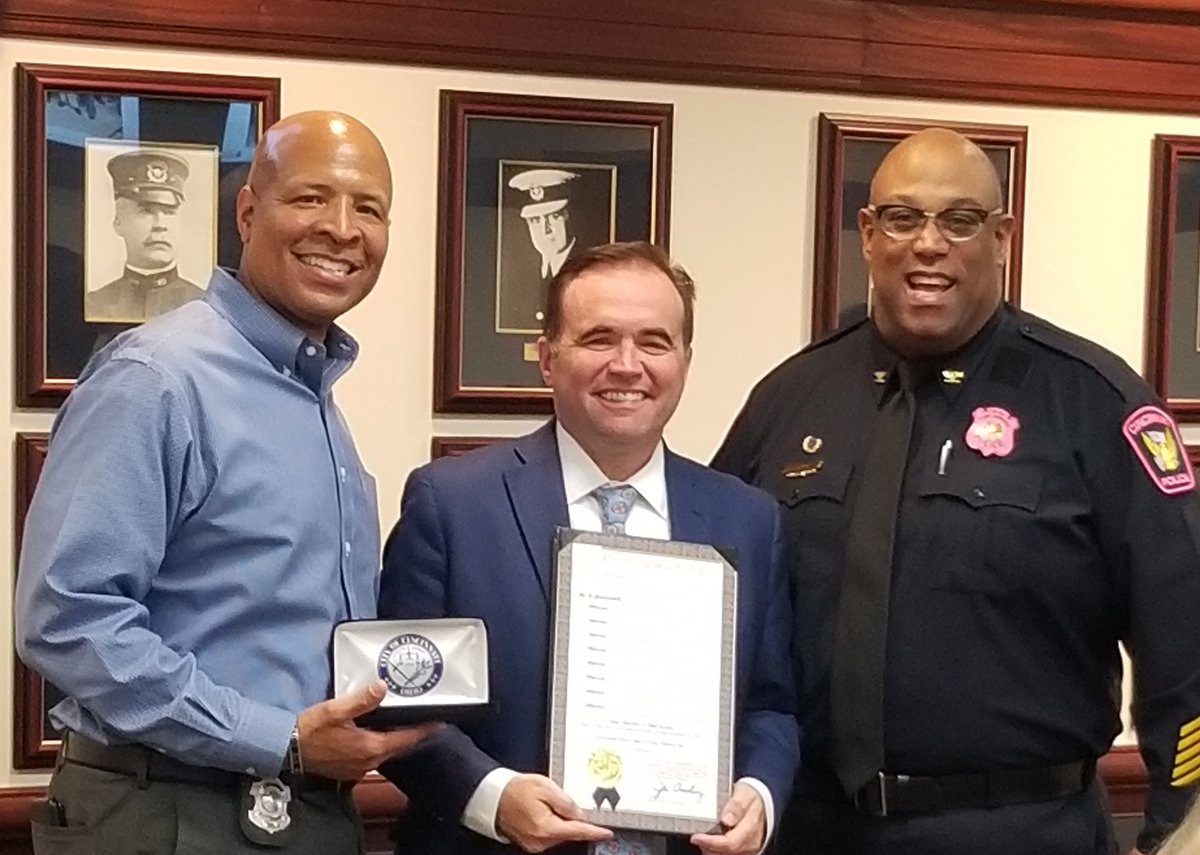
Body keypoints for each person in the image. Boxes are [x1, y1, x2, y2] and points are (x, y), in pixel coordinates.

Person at [712, 127, 1200, 855]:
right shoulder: (791, 398)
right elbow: (717, 601)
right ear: (868, 234)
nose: (929, 244)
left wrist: (1176, 832)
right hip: (813, 828)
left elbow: (1184, 640)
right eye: (902, 218)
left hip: (1022, 830)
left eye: (961, 220)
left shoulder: (1092, 402)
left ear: (1001, 238)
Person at [16, 111, 438, 855]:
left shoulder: (313, 395)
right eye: (311, 197)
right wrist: (279, 738)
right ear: (247, 212)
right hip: (168, 812)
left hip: (306, 809)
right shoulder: (157, 378)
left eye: (368, 209)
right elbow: (67, 617)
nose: (342, 229)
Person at [378, 241, 799, 855]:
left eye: (654, 342)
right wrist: (494, 797)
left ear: (684, 361)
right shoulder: (453, 504)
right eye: (599, 339)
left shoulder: (748, 519)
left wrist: (758, 794)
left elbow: (771, 706)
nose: (627, 366)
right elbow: (399, 698)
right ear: (549, 359)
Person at [85, 148, 206, 322]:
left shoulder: (204, 305)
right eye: (146, 211)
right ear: (118, 221)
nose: (160, 225)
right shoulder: (95, 304)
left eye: (170, 212)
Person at [499, 167, 584, 332]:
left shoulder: (590, 269)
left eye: (554, 216)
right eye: (536, 221)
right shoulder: (518, 277)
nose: (546, 230)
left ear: (569, 216)